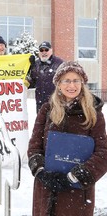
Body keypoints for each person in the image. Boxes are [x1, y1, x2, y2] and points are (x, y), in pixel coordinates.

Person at [27, 61, 107, 215]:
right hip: (46, 189)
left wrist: (75, 176)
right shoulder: (47, 110)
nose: (72, 85)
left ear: (82, 83)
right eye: (67, 80)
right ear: (59, 84)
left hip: (77, 194)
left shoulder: (94, 113)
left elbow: (103, 153)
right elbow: (35, 146)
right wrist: (41, 171)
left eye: (76, 80)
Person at [27, 41, 64, 112]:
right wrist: (29, 70)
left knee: (56, 122)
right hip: (40, 104)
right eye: (41, 50)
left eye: (46, 50)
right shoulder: (36, 64)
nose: (44, 52)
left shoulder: (59, 63)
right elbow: (32, 82)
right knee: (41, 123)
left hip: (56, 104)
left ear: (51, 51)